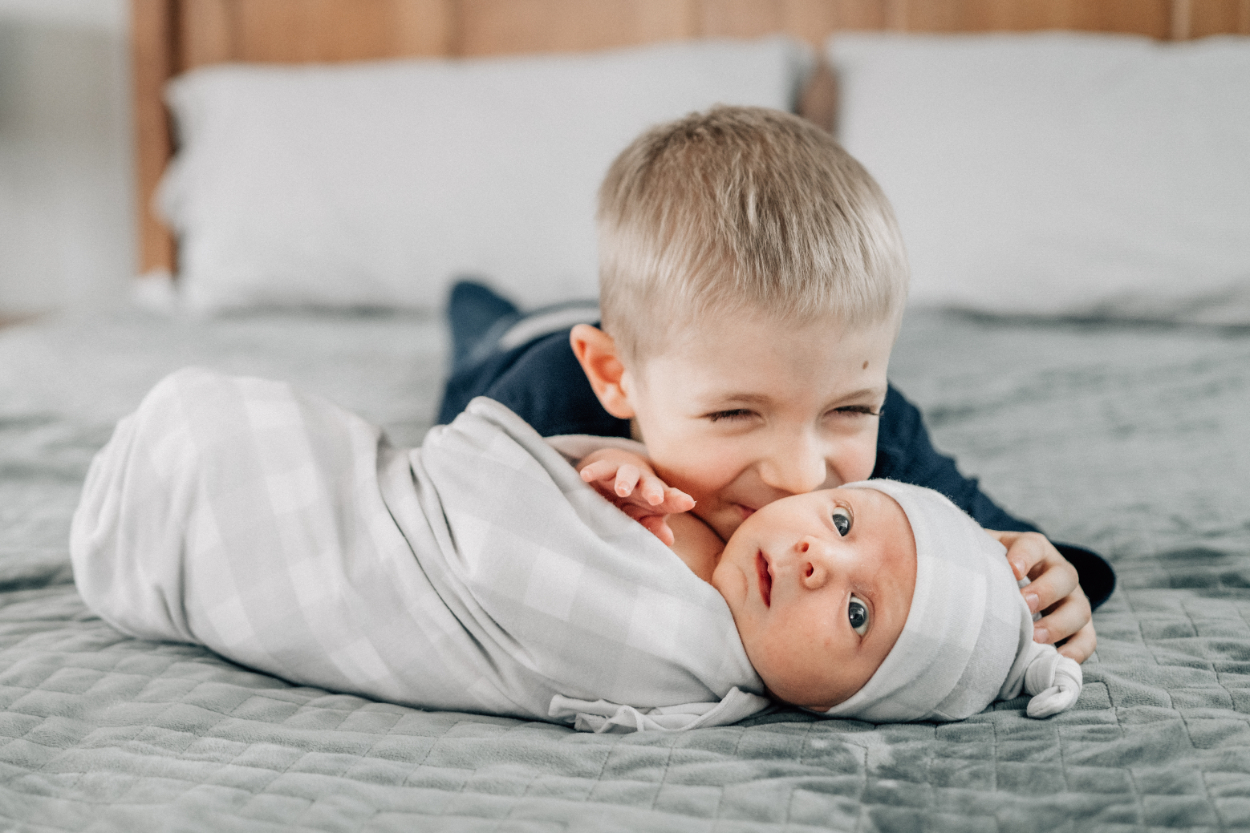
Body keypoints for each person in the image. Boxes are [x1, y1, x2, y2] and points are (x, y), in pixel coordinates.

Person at [437, 106, 1114, 661]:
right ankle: (471, 301)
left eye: (848, 407)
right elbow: (439, 537)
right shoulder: (533, 411)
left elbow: (998, 538)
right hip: (517, 350)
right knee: (480, 325)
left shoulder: (891, 434)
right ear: (618, 379)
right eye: (736, 413)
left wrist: (1042, 579)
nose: (801, 473)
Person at [72, 369, 1079, 729]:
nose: (819, 551)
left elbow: (503, 570)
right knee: (489, 345)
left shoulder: (869, 432)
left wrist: (1051, 580)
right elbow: (473, 468)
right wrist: (595, 456)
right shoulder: (573, 379)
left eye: (856, 614)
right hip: (539, 365)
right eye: (845, 523)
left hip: (212, 508)